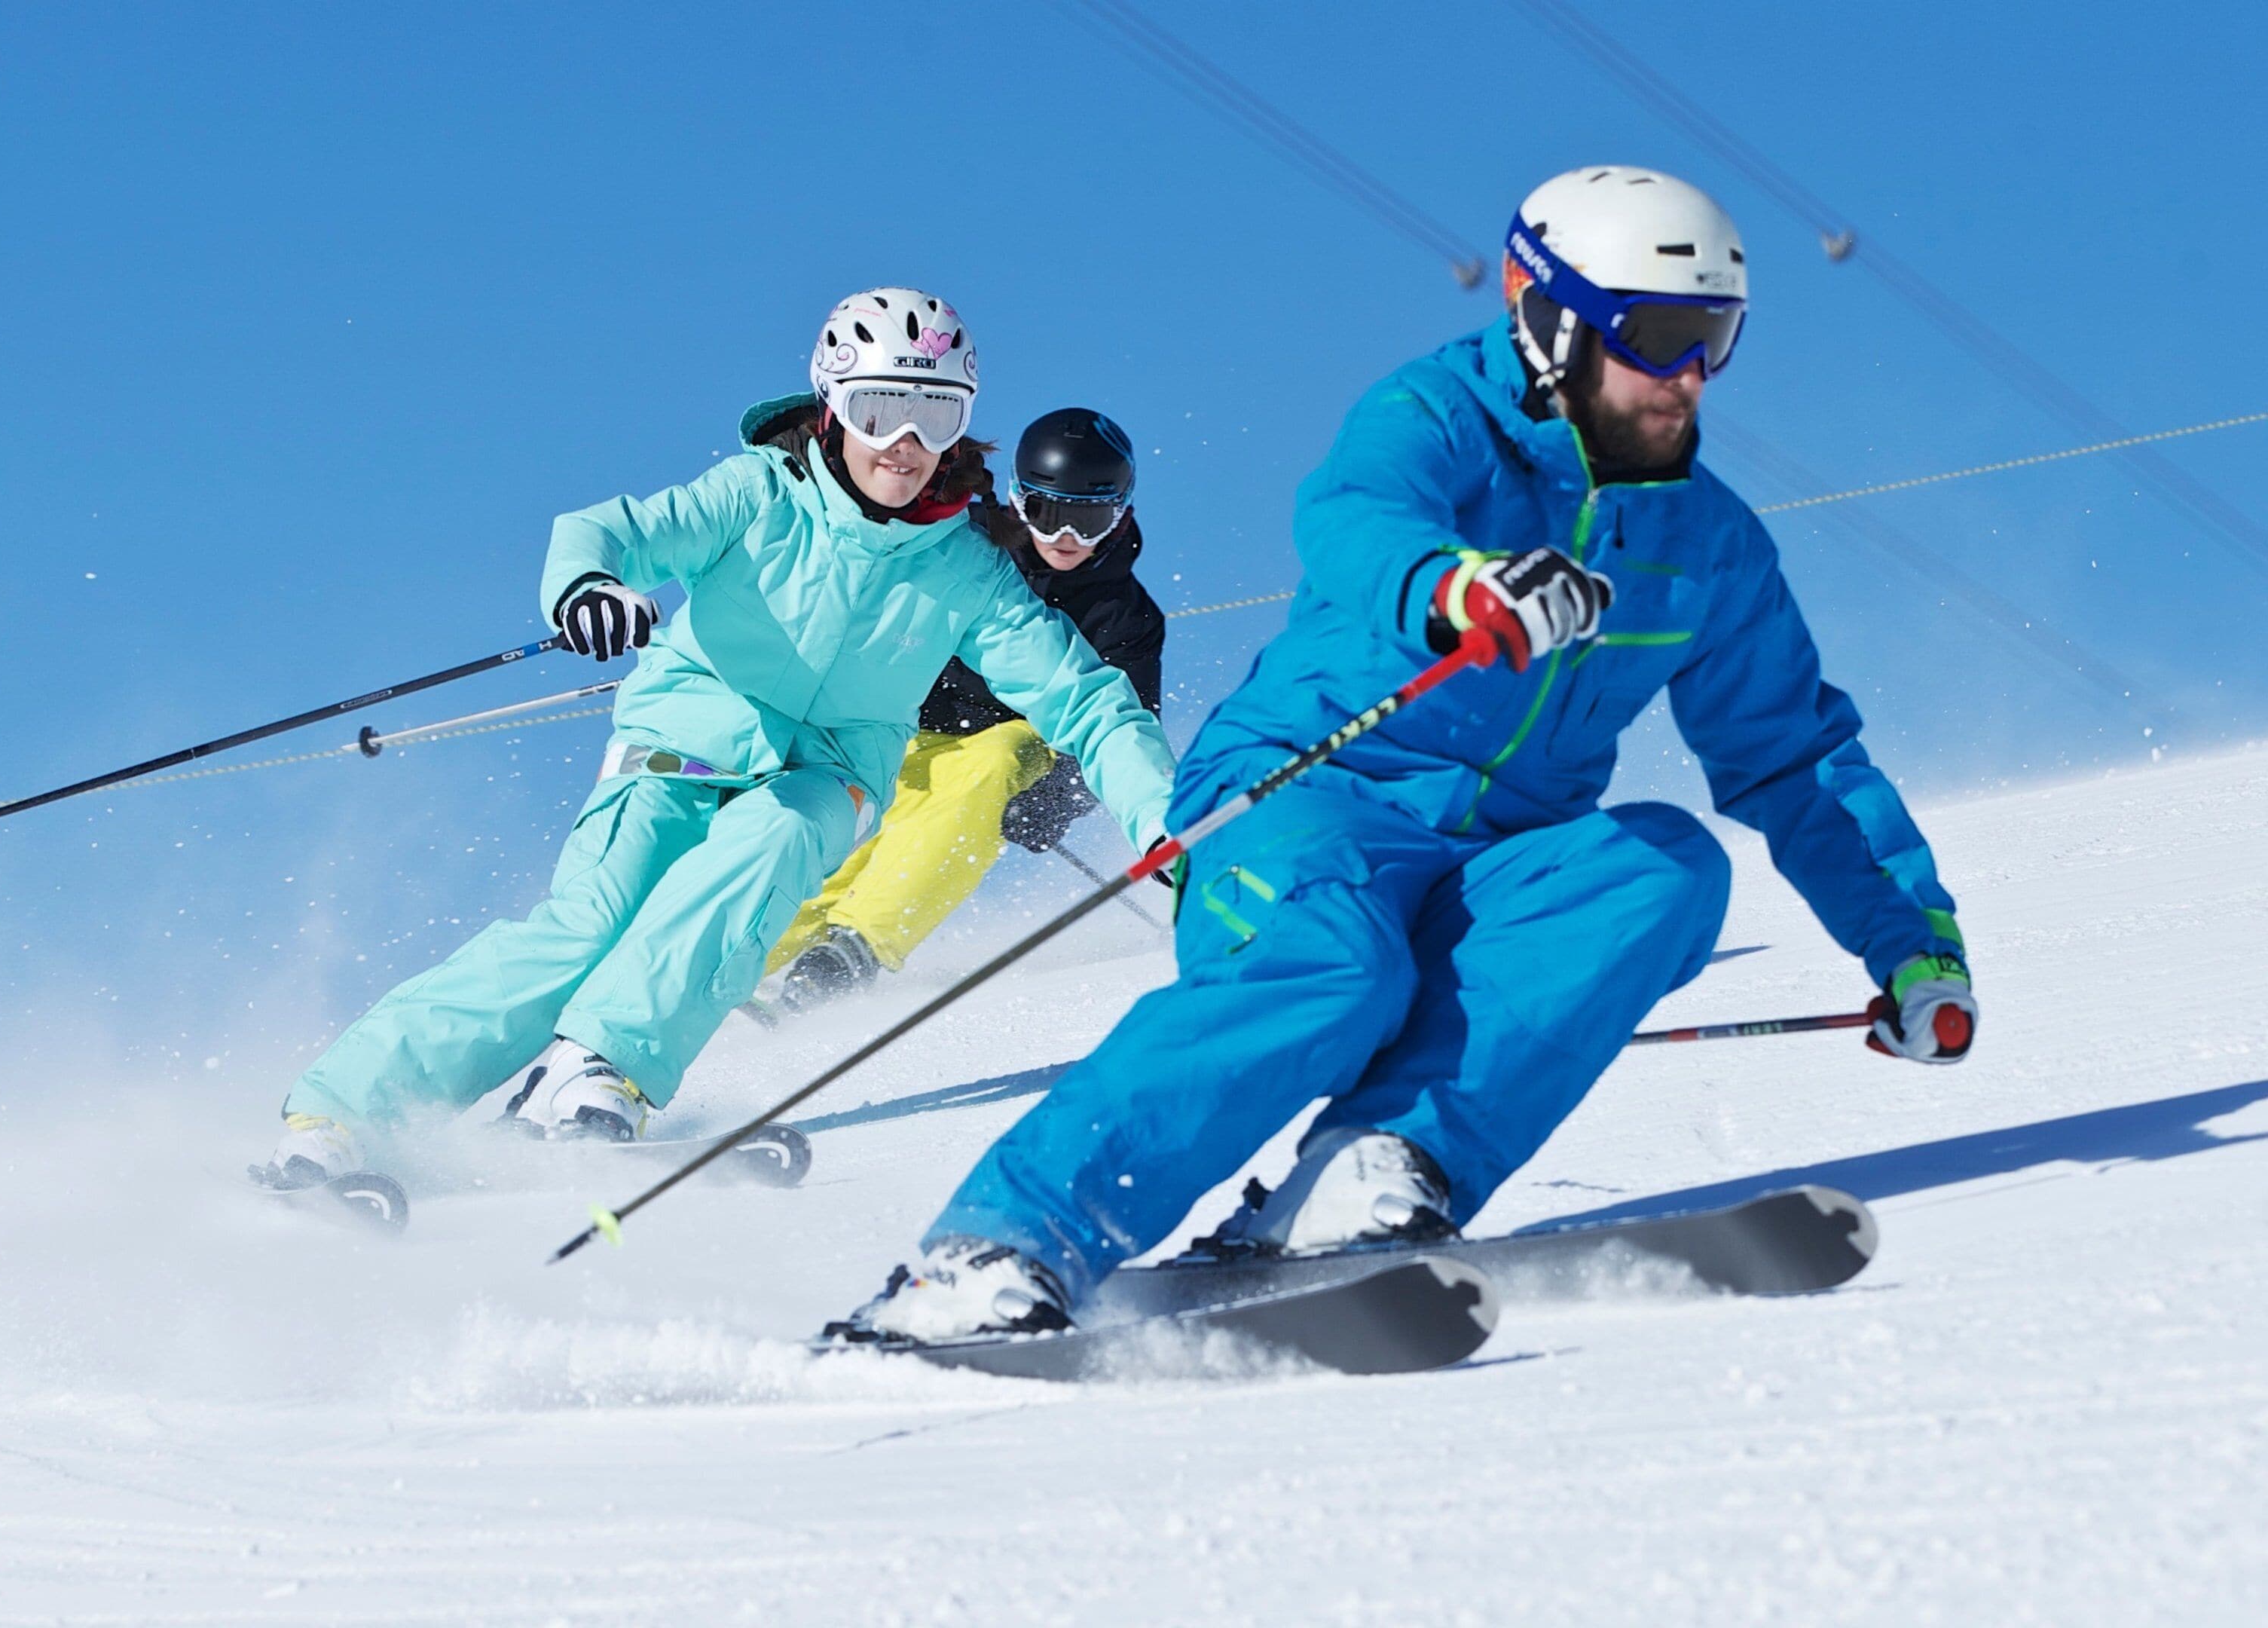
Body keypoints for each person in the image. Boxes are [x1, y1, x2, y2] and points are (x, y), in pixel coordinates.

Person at [830, 168, 1978, 1342]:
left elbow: (1794, 754)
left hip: (1495, 856)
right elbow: (1353, 518)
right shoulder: (1436, 419)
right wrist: (1458, 586)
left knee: (1664, 870)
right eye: (1665, 335)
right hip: (1306, 791)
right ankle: (993, 1248)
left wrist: (1914, 944)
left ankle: (1377, 1160)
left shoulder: (1702, 541)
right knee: (1334, 968)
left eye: (1716, 341)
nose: (1691, 375)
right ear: (1551, 317)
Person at [254, 289, 1175, 1186]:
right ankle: (343, 1113)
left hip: (825, 776)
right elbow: (612, 532)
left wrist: (1164, 819)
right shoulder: (759, 495)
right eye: (880, 406)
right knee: (588, 930)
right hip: (680, 748)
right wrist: (591, 586)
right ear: (832, 404)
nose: (906, 441)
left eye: (934, 414)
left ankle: (600, 1069)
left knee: (774, 839)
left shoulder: (967, 568)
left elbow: (1091, 702)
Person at [760, 407, 1166, 1012]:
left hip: (1017, 743)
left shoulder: (1125, 616)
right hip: (902, 731)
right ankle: (743, 958)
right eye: (1048, 514)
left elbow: (1124, 733)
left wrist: (1052, 800)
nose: (1066, 539)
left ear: (1121, 513)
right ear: (1017, 500)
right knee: (853, 833)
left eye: (1089, 520)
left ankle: (853, 950)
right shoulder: (960, 546)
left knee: (985, 766)